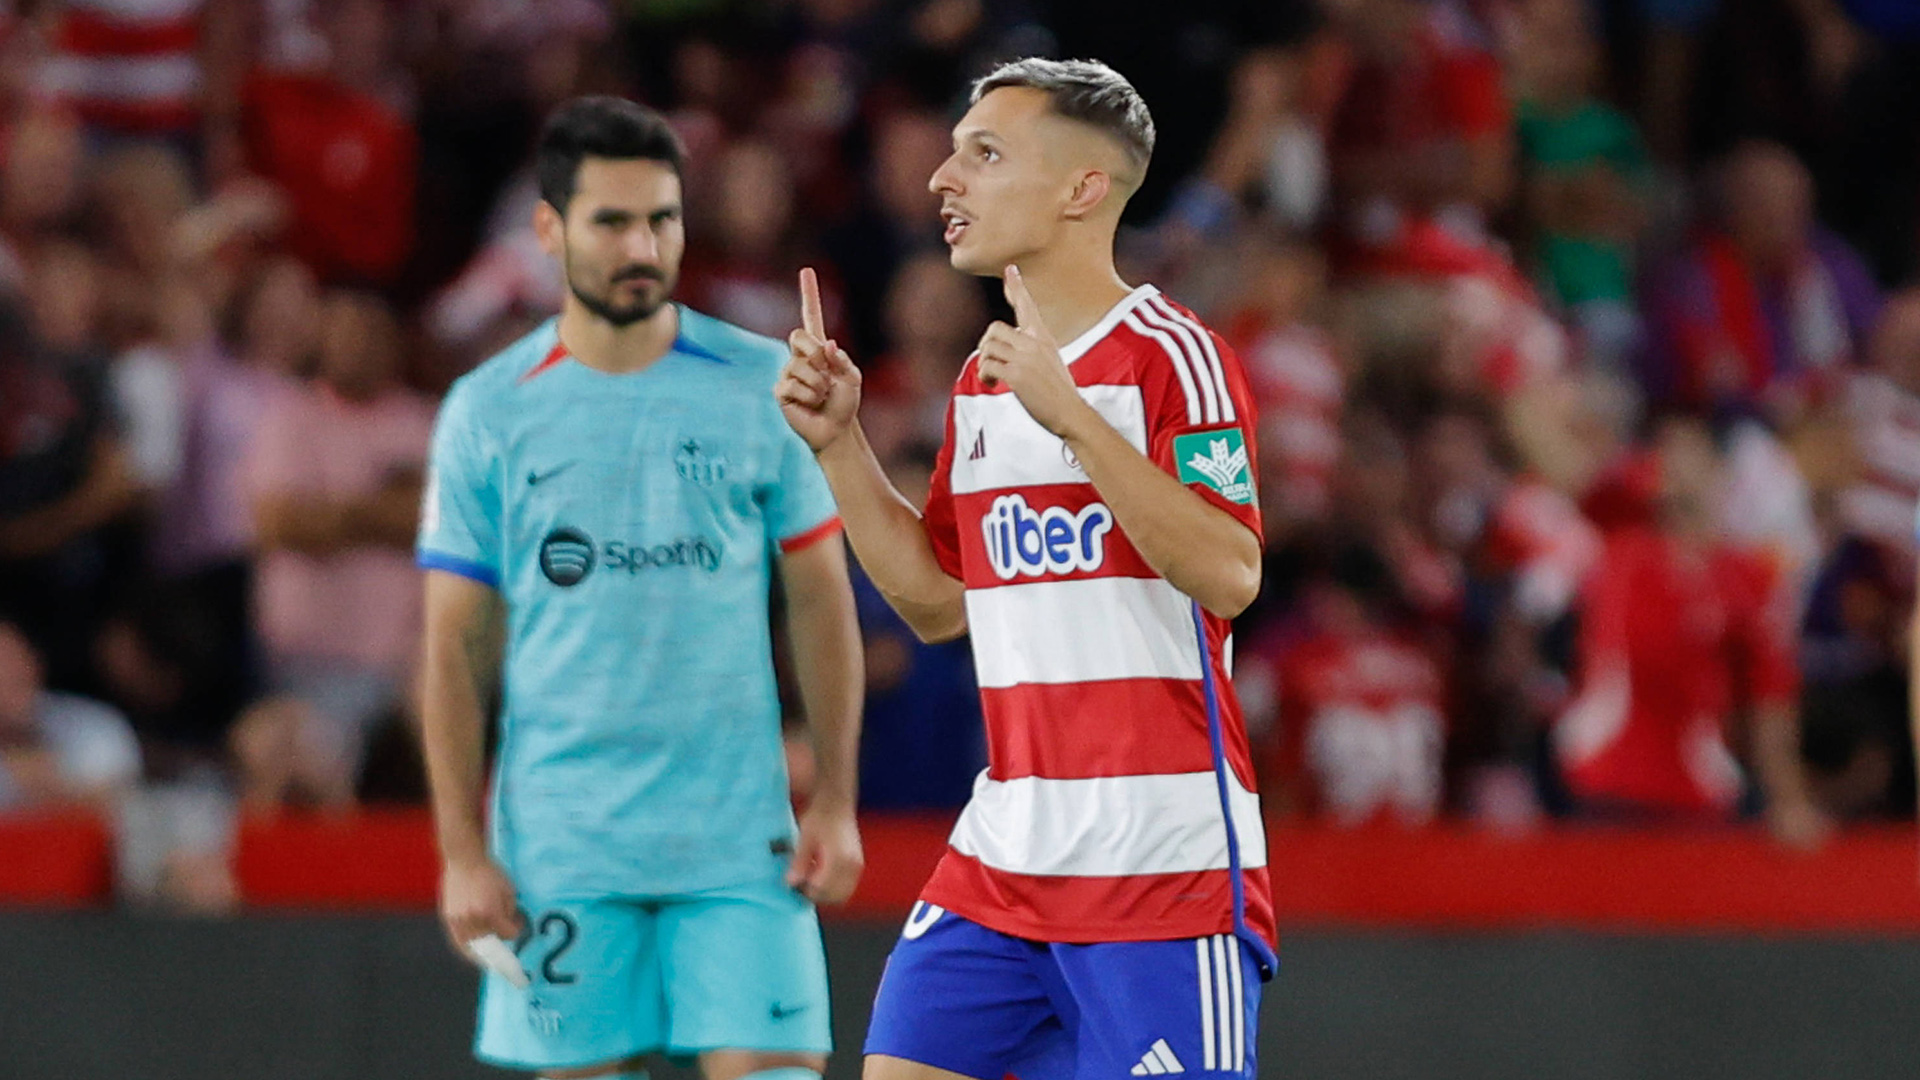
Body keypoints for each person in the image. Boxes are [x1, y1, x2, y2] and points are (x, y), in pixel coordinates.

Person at [777, 58, 1273, 1080]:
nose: (941, 180)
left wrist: (1077, 423)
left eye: (985, 154)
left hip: (1159, 868)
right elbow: (938, 602)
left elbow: (1230, 572)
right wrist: (839, 448)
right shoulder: (984, 382)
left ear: (1082, 190)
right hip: (1005, 855)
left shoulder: (1172, 357)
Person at [417, 96, 864, 1080]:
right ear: (548, 229)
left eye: (661, 218)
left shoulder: (760, 384)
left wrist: (834, 798)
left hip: (743, 847)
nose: (642, 244)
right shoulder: (487, 413)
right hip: (561, 853)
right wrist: (461, 850)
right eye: (612, 220)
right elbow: (453, 648)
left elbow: (821, 601)